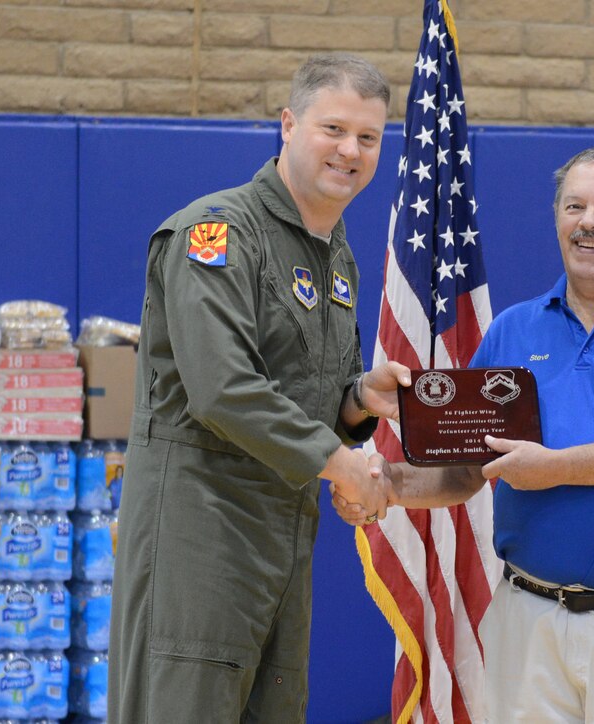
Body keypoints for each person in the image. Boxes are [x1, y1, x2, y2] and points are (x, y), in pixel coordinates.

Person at [337, 147, 594, 722]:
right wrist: (387, 483)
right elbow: (466, 468)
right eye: (575, 205)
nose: (589, 221)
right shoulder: (515, 328)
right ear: (557, 217)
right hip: (528, 622)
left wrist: (557, 468)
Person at [108, 53, 409, 723]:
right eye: (333, 129)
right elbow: (224, 391)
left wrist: (360, 400)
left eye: (368, 137)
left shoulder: (336, 257)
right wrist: (345, 467)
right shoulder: (214, 234)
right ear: (288, 124)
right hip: (201, 539)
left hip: (282, 543)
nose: (350, 151)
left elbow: (304, 396)